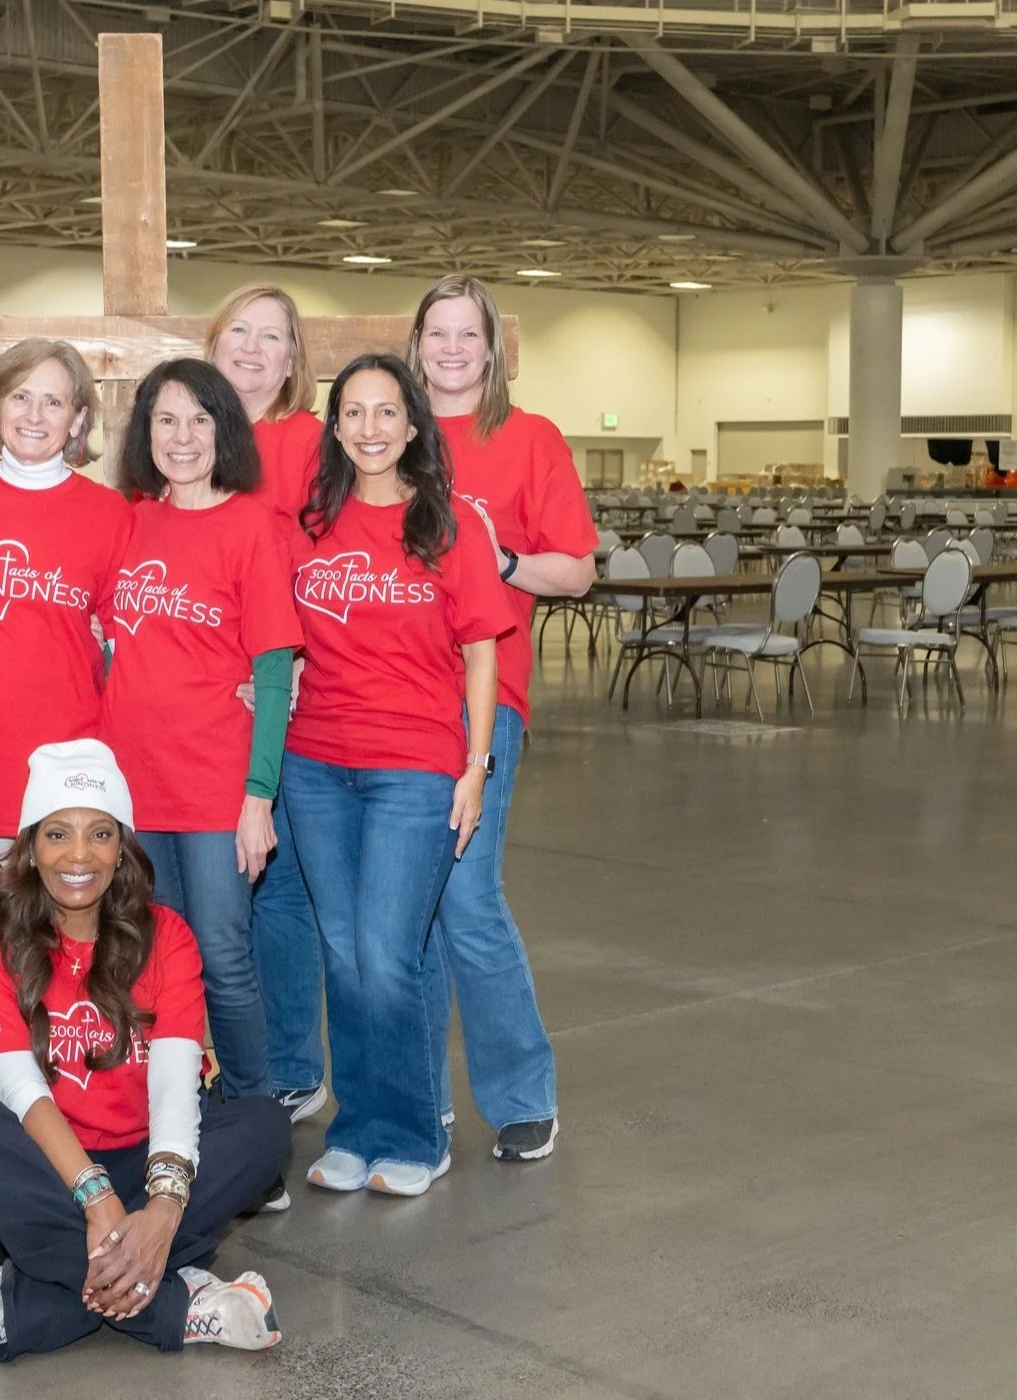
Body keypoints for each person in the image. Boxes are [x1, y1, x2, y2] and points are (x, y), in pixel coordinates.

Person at [0, 739, 291, 1360]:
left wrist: (165, 1207)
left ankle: (24, 1308)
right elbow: (18, 1090)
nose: (79, 855)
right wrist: (96, 1199)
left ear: (122, 848)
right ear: (30, 849)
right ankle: (177, 1304)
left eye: (100, 834)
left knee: (265, 1124)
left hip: (136, 1169)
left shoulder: (166, 938)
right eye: (57, 834)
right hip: (24, 1181)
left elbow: (178, 1085)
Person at [281, 353, 511, 1198]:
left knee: (388, 953)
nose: (370, 428)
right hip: (316, 766)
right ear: (335, 426)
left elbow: (482, 653)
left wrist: (476, 767)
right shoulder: (308, 524)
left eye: (386, 412)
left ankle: (416, 1133)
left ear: (413, 426)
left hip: (413, 767)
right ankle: (358, 1128)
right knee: (343, 956)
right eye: (353, 413)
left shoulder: (447, 527)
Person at [408, 275, 596, 1164]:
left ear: (493, 349)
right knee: (400, 912)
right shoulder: (386, 438)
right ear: (417, 345)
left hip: (487, 700)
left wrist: (502, 559)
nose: (451, 348)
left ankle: (521, 1092)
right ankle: (415, 1099)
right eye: (436, 332)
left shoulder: (530, 441)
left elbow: (577, 572)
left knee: (468, 898)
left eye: (466, 334)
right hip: (384, 706)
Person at [102, 358, 302, 1111]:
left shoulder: (251, 528)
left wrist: (259, 797)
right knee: (156, 958)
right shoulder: (130, 521)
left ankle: (255, 1119)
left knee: (223, 955)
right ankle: (179, 1112)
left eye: (199, 419)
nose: (182, 436)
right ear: (145, 431)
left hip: (217, 783)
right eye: (165, 419)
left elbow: (274, 672)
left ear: (225, 431)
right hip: (136, 784)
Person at [0, 340, 133, 927]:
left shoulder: (111, 515)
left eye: (53, 401)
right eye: (21, 397)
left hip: (70, 765)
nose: (35, 415)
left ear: (78, 419)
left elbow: (136, 636)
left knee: (66, 946)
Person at [202, 286, 328, 1124]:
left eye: (271, 337)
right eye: (238, 332)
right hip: (193, 701)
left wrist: (298, 664)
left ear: (292, 360)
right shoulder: (185, 431)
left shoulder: (311, 443)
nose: (252, 348)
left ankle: (288, 1066)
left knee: (276, 891)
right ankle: (207, 1061)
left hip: (277, 690)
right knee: (198, 898)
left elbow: (335, 556)